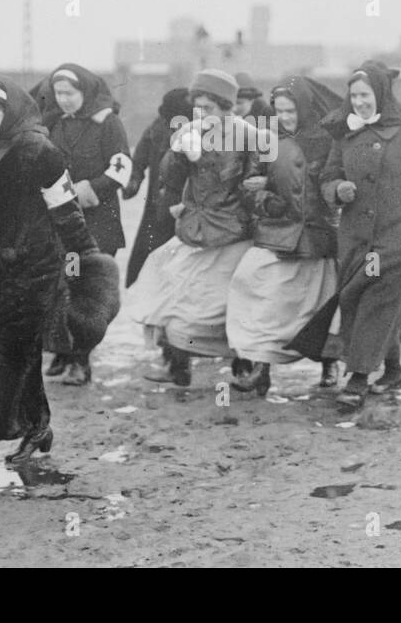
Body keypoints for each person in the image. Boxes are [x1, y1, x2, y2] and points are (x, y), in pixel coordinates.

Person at [0, 78, 113, 479]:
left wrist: (83, 266)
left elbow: (67, 214)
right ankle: (38, 428)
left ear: (13, 110)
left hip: (33, 269)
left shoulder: (41, 152)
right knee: (18, 356)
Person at [302, 61, 401, 407]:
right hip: (356, 237)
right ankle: (393, 372)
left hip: (397, 238)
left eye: (366, 94)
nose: (360, 102)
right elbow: (326, 178)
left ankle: (358, 378)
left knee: (378, 300)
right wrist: (337, 189)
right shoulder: (345, 137)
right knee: (358, 298)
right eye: (355, 95)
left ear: (381, 95)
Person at [127, 69, 260, 387]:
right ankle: (178, 366)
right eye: (198, 108)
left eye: (209, 109)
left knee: (232, 302)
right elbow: (168, 179)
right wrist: (178, 155)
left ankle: (245, 366)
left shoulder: (248, 135)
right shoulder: (191, 132)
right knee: (173, 290)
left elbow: (255, 183)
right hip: (194, 228)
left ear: (227, 108)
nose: (202, 115)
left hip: (233, 231)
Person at [227, 76, 343, 395]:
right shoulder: (267, 141)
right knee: (262, 297)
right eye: (279, 111)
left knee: (317, 307)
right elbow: (248, 185)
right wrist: (268, 201)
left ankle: (329, 364)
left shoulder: (328, 141)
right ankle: (261, 369)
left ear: (305, 107)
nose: (285, 117)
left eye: (291, 110)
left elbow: (333, 182)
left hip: (317, 237)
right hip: (277, 233)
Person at [41, 63, 131, 385]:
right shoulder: (57, 124)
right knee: (63, 285)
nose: (64, 99)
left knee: (85, 291)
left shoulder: (107, 123)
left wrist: (88, 189)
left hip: (97, 225)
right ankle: (64, 350)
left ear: (86, 92)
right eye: (59, 93)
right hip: (64, 225)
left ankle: (81, 360)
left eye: (70, 93)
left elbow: (122, 168)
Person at [123, 88, 193, 288]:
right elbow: (139, 159)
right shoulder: (156, 128)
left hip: (184, 204)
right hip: (157, 204)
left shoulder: (197, 130)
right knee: (149, 255)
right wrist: (134, 180)